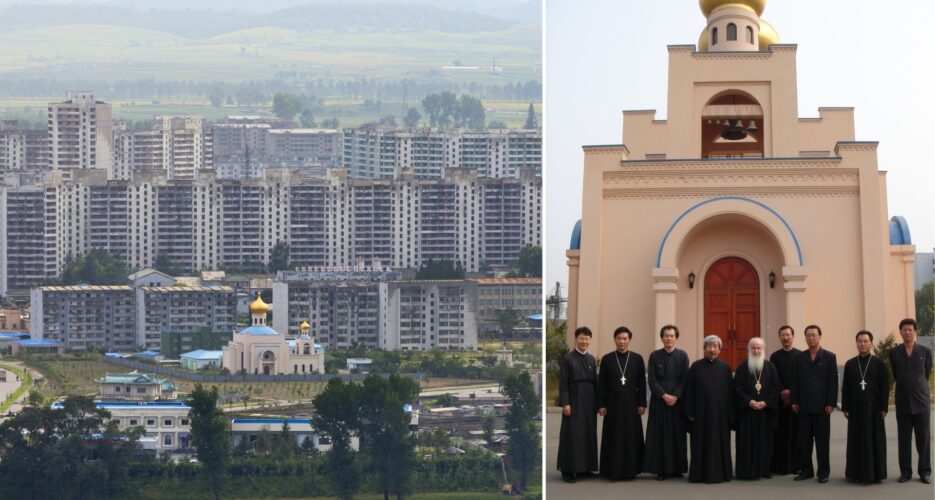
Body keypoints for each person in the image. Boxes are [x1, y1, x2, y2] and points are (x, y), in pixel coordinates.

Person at [683, 335, 735, 484]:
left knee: (719, 444)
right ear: (704, 349)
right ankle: (699, 474)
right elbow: (689, 391)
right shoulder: (695, 366)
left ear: (719, 349)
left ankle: (722, 474)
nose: (712, 349)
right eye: (709, 346)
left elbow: (730, 393)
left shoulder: (725, 368)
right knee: (700, 443)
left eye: (715, 346)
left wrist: (730, 415)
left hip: (720, 415)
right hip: (700, 414)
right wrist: (690, 412)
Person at [597, 326, 646, 480]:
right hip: (612, 405)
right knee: (614, 437)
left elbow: (642, 384)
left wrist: (642, 404)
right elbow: (602, 384)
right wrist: (601, 404)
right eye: (619, 338)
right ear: (615, 339)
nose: (622, 341)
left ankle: (631, 470)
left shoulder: (637, 359)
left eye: (625, 338)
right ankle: (612, 470)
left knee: (630, 437)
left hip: (631, 405)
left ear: (629, 340)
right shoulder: (607, 359)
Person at [791, 324, 837, 483]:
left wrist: (831, 402)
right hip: (802, 406)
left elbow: (833, 382)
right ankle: (806, 470)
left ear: (820, 336)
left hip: (822, 407)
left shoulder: (830, 357)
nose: (811, 338)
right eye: (808, 335)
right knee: (804, 442)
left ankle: (823, 472)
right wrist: (794, 400)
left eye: (814, 335)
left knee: (822, 442)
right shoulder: (799, 357)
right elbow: (795, 381)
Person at [888, 318, 933, 484]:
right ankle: (905, 472)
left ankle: (925, 472)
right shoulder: (894, 353)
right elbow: (896, 373)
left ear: (915, 331)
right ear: (900, 332)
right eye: (904, 330)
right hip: (903, 402)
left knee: (924, 439)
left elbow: (926, 373)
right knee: (904, 439)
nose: (907, 332)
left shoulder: (925, 351)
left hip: (921, 401)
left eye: (910, 330)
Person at [643, 324, 690, 480]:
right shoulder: (655, 356)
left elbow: (685, 379)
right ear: (661, 338)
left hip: (677, 403)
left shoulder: (682, 356)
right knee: (660, 436)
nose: (669, 338)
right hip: (660, 402)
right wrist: (664, 396)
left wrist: (675, 396)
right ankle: (661, 469)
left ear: (676, 338)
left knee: (677, 435)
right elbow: (652, 379)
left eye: (672, 336)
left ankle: (677, 468)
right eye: (666, 336)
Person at [841, 330, 888, 483]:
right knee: (857, 440)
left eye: (865, 341)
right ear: (856, 343)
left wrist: (884, 407)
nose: (862, 344)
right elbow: (846, 387)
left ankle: (875, 473)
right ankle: (855, 473)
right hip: (855, 409)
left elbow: (884, 387)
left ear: (871, 343)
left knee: (874, 440)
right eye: (859, 341)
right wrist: (845, 407)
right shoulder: (850, 364)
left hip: (874, 410)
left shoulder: (879, 364)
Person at [557, 326, 599, 483]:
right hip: (574, 399)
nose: (584, 341)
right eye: (581, 338)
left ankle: (585, 468)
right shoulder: (568, 358)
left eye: (587, 338)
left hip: (589, 399)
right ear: (576, 339)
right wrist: (565, 403)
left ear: (590, 340)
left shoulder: (591, 359)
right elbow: (563, 383)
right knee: (572, 434)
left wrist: (599, 403)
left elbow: (595, 382)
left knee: (588, 433)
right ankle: (568, 469)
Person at [734, 337, 780, 480]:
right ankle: (746, 471)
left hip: (764, 412)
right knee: (746, 442)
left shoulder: (770, 367)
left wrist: (766, 402)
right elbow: (737, 389)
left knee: (764, 442)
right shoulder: (742, 367)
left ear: (763, 349)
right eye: (753, 348)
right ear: (749, 349)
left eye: (759, 348)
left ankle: (764, 470)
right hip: (747, 413)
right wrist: (749, 401)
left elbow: (775, 388)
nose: (756, 350)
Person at [769, 325, 801, 475]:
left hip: (795, 402)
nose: (785, 338)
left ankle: (795, 465)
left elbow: (802, 379)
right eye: (782, 335)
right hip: (779, 402)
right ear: (779, 337)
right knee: (779, 435)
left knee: (795, 435)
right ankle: (779, 466)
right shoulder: (774, 357)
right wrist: (782, 391)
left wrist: (791, 392)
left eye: (788, 335)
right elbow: (773, 377)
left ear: (793, 337)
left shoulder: (801, 356)